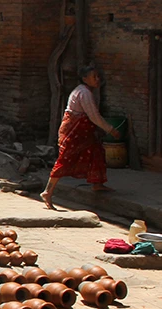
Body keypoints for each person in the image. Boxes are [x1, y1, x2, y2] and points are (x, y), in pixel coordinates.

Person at [41, 65, 122, 210]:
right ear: (85, 79)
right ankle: (48, 191)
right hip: (74, 132)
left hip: (84, 131)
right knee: (65, 159)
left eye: (98, 76)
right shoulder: (84, 93)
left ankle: (98, 183)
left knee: (96, 152)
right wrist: (111, 130)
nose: (97, 80)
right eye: (94, 77)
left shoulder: (86, 92)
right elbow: (93, 116)